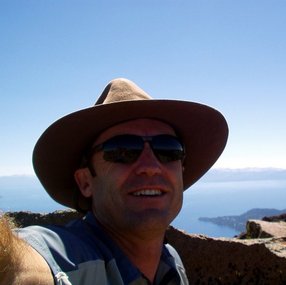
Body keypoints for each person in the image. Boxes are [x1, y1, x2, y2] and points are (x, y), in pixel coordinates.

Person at [0, 78, 228, 285]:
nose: (150, 166)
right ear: (85, 182)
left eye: (168, 150)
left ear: (181, 169)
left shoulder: (171, 264)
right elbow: (16, 262)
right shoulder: (58, 264)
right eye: (123, 150)